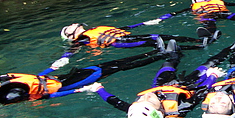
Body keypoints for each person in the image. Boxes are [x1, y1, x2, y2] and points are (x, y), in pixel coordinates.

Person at [80, 36, 235, 118]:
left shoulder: (140, 107)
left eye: (139, 100)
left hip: (162, 83)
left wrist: (98, 88)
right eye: (149, 101)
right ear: (160, 111)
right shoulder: (180, 107)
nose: (146, 96)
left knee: (168, 64)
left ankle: (175, 55)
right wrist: (212, 76)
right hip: (188, 85)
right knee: (210, 64)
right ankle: (232, 49)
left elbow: (114, 101)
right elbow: (202, 92)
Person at [0, 47, 169, 104]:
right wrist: (78, 90)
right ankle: (161, 55)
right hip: (65, 86)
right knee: (112, 68)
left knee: (107, 65)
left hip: (59, 79)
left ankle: (157, 53)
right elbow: (42, 96)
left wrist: (52, 67)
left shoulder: (2, 82)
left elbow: (34, 81)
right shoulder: (3, 94)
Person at [51, 23, 219, 69]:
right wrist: (64, 60)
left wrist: (147, 22)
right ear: (70, 35)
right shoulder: (83, 39)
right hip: (121, 43)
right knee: (156, 40)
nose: (73, 24)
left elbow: (125, 29)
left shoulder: (95, 29)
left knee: (161, 36)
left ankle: (200, 42)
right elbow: (73, 49)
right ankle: (198, 47)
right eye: (69, 27)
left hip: (128, 36)